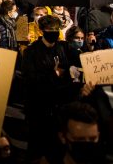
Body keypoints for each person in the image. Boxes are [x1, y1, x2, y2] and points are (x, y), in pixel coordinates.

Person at [22, 15, 76, 162]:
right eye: (50, 29)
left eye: (56, 29)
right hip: (39, 108)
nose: (54, 32)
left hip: (60, 106)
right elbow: (30, 80)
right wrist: (54, 74)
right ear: (42, 31)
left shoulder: (63, 47)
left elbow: (80, 60)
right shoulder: (31, 52)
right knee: (38, 148)